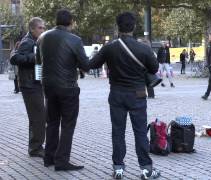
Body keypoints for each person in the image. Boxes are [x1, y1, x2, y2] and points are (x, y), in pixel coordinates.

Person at [89, 12, 161, 179]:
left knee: (118, 132)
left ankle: (118, 168)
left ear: (117, 27)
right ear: (134, 27)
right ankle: (146, 169)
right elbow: (154, 68)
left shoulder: (109, 47)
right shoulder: (143, 48)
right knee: (140, 132)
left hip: (116, 94)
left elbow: (92, 64)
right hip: (137, 94)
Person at [37, 9, 90, 171]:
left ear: (56, 21)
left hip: (48, 86)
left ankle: (49, 157)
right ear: (71, 22)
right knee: (67, 124)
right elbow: (85, 65)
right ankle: (61, 161)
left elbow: (38, 60)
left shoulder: (42, 37)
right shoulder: (75, 40)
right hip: (67, 87)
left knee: (52, 122)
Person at [10, 17, 46, 157]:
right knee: (39, 117)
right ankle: (36, 148)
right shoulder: (27, 42)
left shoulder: (34, 41)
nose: (43, 30)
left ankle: (35, 146)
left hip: (34, 83)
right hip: (29, 85)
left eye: (43, 27)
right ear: (32, 29)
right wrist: (35, 56)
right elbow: (15, 58)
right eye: (40, 28)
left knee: (36, 117)